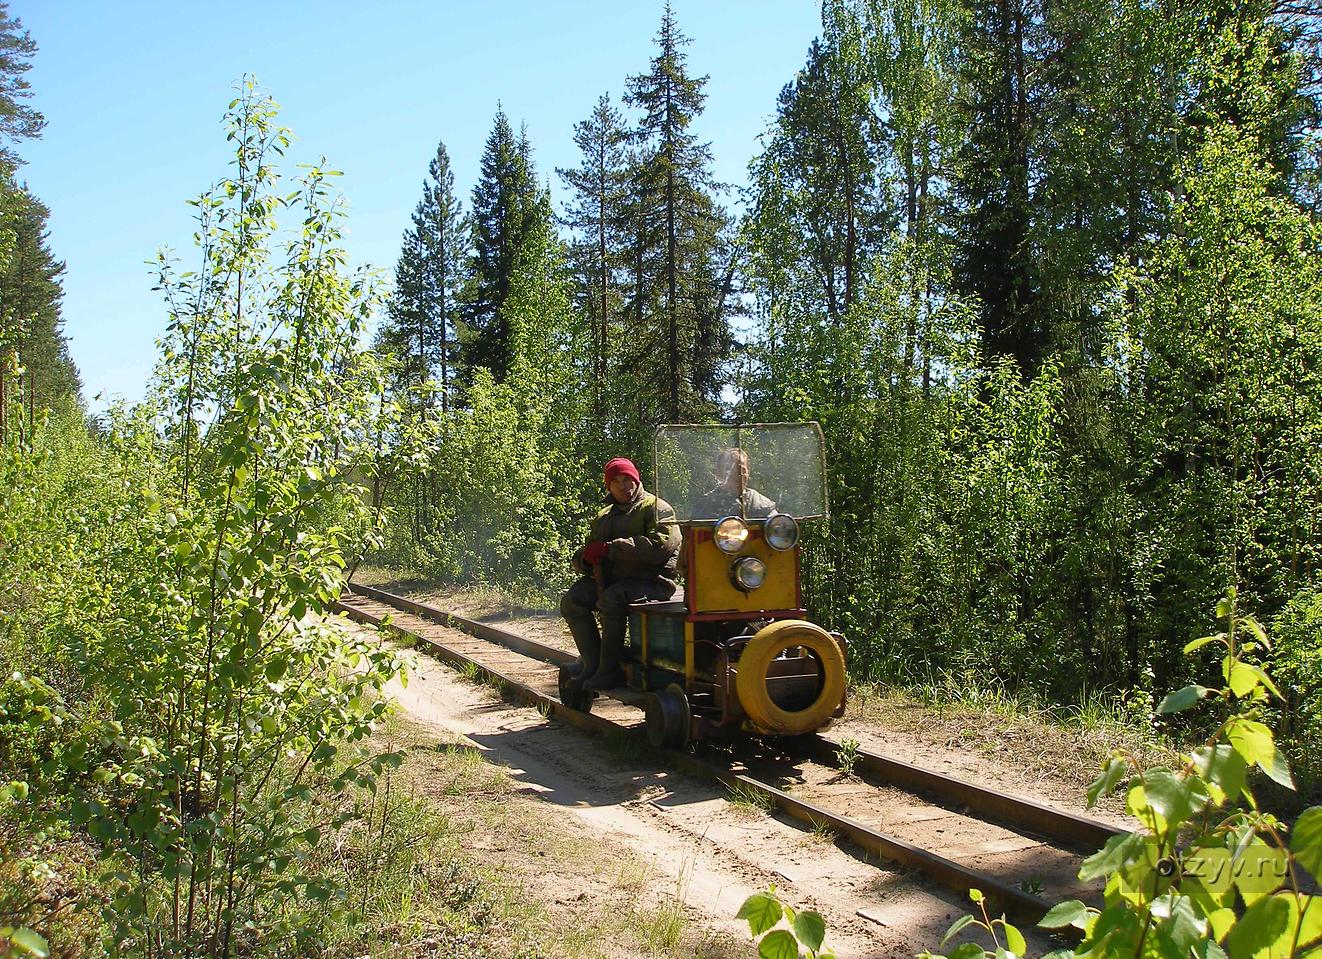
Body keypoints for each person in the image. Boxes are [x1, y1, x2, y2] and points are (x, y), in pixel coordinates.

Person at [560, 457, 681, 691]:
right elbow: (590, 549)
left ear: (636, 480)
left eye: (627, 479)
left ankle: (610, 671)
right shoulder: (604, 516)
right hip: (613, 579)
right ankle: (593, 665)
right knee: (572, 601)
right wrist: (584, 559)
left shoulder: (657, 508)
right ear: (609, 486)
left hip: (653, 582)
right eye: (616, 481)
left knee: (611, 598)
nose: (623, 485)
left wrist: (610, 549)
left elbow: (659, 547)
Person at [694, 448, 776, 519]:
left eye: (741, 470)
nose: (737, 474)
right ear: (718, 473)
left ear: (748, 472)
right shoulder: (706, 506)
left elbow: (775, 527)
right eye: (730, 470)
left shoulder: (762, 504)